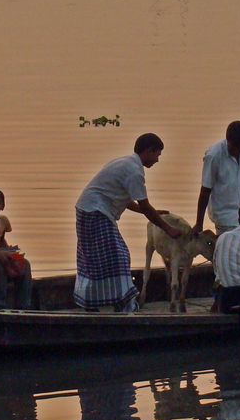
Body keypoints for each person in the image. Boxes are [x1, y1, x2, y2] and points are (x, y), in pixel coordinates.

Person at [74, 133, 182, 312]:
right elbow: (145, 206)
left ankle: (105, 302)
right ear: (148, 151)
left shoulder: (124, 163)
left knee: (97, 260)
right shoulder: (134, 171)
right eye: (157, 155)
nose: (157, 160)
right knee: (119, 257)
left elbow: (127, 200)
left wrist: (156, 213)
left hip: (91, 210)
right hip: (94, 212)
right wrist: (168, 229)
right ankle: (124, 304)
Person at [193, 120, 240, 236]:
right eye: (234, 148)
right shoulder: (213, 156)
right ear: (228, 141)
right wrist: (199, 223)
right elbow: (205, 190)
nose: (237, 152)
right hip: (225, 219)